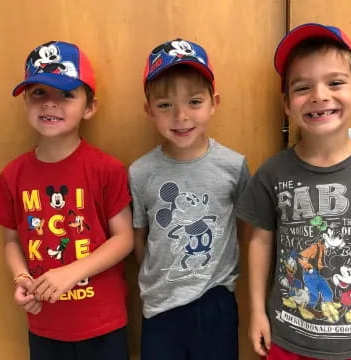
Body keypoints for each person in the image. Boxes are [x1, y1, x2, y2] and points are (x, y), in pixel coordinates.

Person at [236, 23, 351, 360]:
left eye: (335, 82)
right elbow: (260, 242)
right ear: (286, 103)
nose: (319, 95)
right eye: (302, 87)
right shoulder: (272, 173)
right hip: (286, 340)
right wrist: (257, 312)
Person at [0, 41, 133, 360]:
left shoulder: (107, 169)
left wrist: (71, 272)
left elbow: (124, 239)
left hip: (102, 324)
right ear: (25, 101)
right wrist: (22, 277)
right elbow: (10, 241)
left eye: (66, 94)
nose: (50, 104)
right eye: (39, 93)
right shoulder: (13, 174)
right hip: (44, 325)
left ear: (90, 107)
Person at [128, 38, 250, 360]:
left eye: (194, 102)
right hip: (160, 306)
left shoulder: (233, 166)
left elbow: (246, 229)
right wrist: (158, 280)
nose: (181, 116)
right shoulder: (140, 172)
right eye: (165, 105)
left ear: (214, 103)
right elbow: (140, 237)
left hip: (216, 302)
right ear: (148, 110)